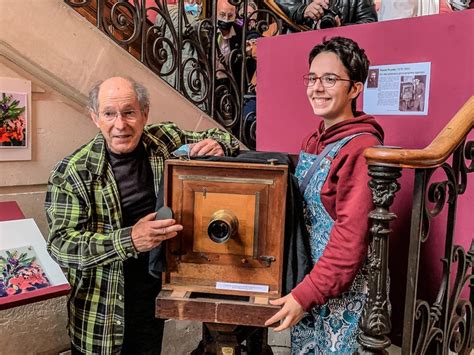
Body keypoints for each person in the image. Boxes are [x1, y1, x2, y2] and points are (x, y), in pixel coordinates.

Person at [45, 76, 239, 355]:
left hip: (151, 298)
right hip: (101, 311)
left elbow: (223, 138)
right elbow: (61, 245)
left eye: (129, 112)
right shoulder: (73, 172)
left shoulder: (163, 140)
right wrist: (130, 240)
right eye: (109, 114)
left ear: (144, 114)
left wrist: (218, 146)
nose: (120, 125)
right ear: (94, 118)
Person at [264, 37, 384, 354]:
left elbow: (351, 237)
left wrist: (307, 294)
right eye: (313, 78)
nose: (317, 87)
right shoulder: (314, 140)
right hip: (311, 283)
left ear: (355, 89)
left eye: (330, 79)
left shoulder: (360, 148)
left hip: (340, 293)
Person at [274, 0, 377, 29]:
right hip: (300, 45)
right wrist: (303, 10)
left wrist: (341, 28)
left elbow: (369, 22)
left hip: (344, 53)